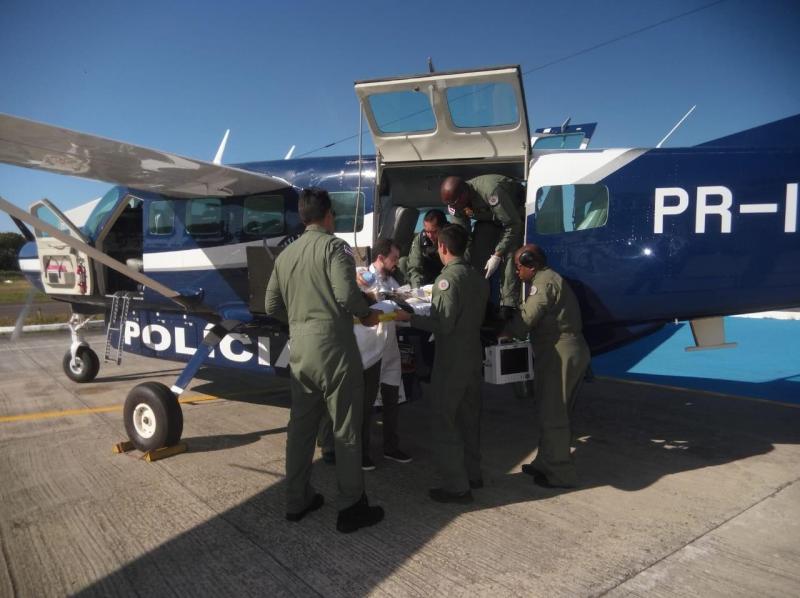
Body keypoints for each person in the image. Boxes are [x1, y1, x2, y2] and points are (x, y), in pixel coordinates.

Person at [265, 187, 385, 533]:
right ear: (328, 214)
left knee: (301, 428)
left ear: (303, 218)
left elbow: (272, 305)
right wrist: (365, 314)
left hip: (300, 348)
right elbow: (347, 294)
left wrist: (300, 320)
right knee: (345, 428)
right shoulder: (335, 247)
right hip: (334, 346)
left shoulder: (285, 255)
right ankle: (350, 507)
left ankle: (296, 500)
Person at [395, 224, 488, 503]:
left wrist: (408, 318)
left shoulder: (447, 280)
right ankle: (473, 474)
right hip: (473, 354)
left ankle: (456, 486)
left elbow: (443, 325)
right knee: (470, 418)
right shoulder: (477, 276)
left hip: (452, 359)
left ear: (443, 248)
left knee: (444, 420)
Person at [318, 238, 413, 471]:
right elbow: (345, 292)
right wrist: (360, 283)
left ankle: (391, 447)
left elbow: (403, 303)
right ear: (380, 258)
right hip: (366, 350)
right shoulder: (361, 275)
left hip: (389, 347)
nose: (396, 263)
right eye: (393, 259)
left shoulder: (393, 280)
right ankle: (360, 452)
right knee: (363, 403)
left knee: (393, 399)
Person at [503, 244, 591, 489]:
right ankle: (545, 461)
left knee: (555, 414)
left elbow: (528, 318)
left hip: (560, 353)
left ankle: (561, 474)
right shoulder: (547, 278)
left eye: (519, 267)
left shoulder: (543, 283)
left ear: (531, 264)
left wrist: (507, 331)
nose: (517, 272)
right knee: (549, 409)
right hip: (559, 351)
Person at [440, 175, 525, 316]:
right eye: (451, 205)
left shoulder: (491, 191)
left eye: (455, 204)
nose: (454, 208)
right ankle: (479, 302)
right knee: (475, 254)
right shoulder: (455, 204)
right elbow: (460, 236)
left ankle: (509, 306)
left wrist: (497, 254)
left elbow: (513, 224)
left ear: (464, 195)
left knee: (509, 253)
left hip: (514, 216)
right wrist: (454, 265)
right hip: (489, 221)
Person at [406, 209, 447, 288]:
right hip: (426, 278)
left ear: (443, 228)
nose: (430, 236)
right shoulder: (421, 239)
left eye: (434, 232)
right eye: (427, 231)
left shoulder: (451, 238)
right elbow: (414, 267)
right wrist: (417, 289)